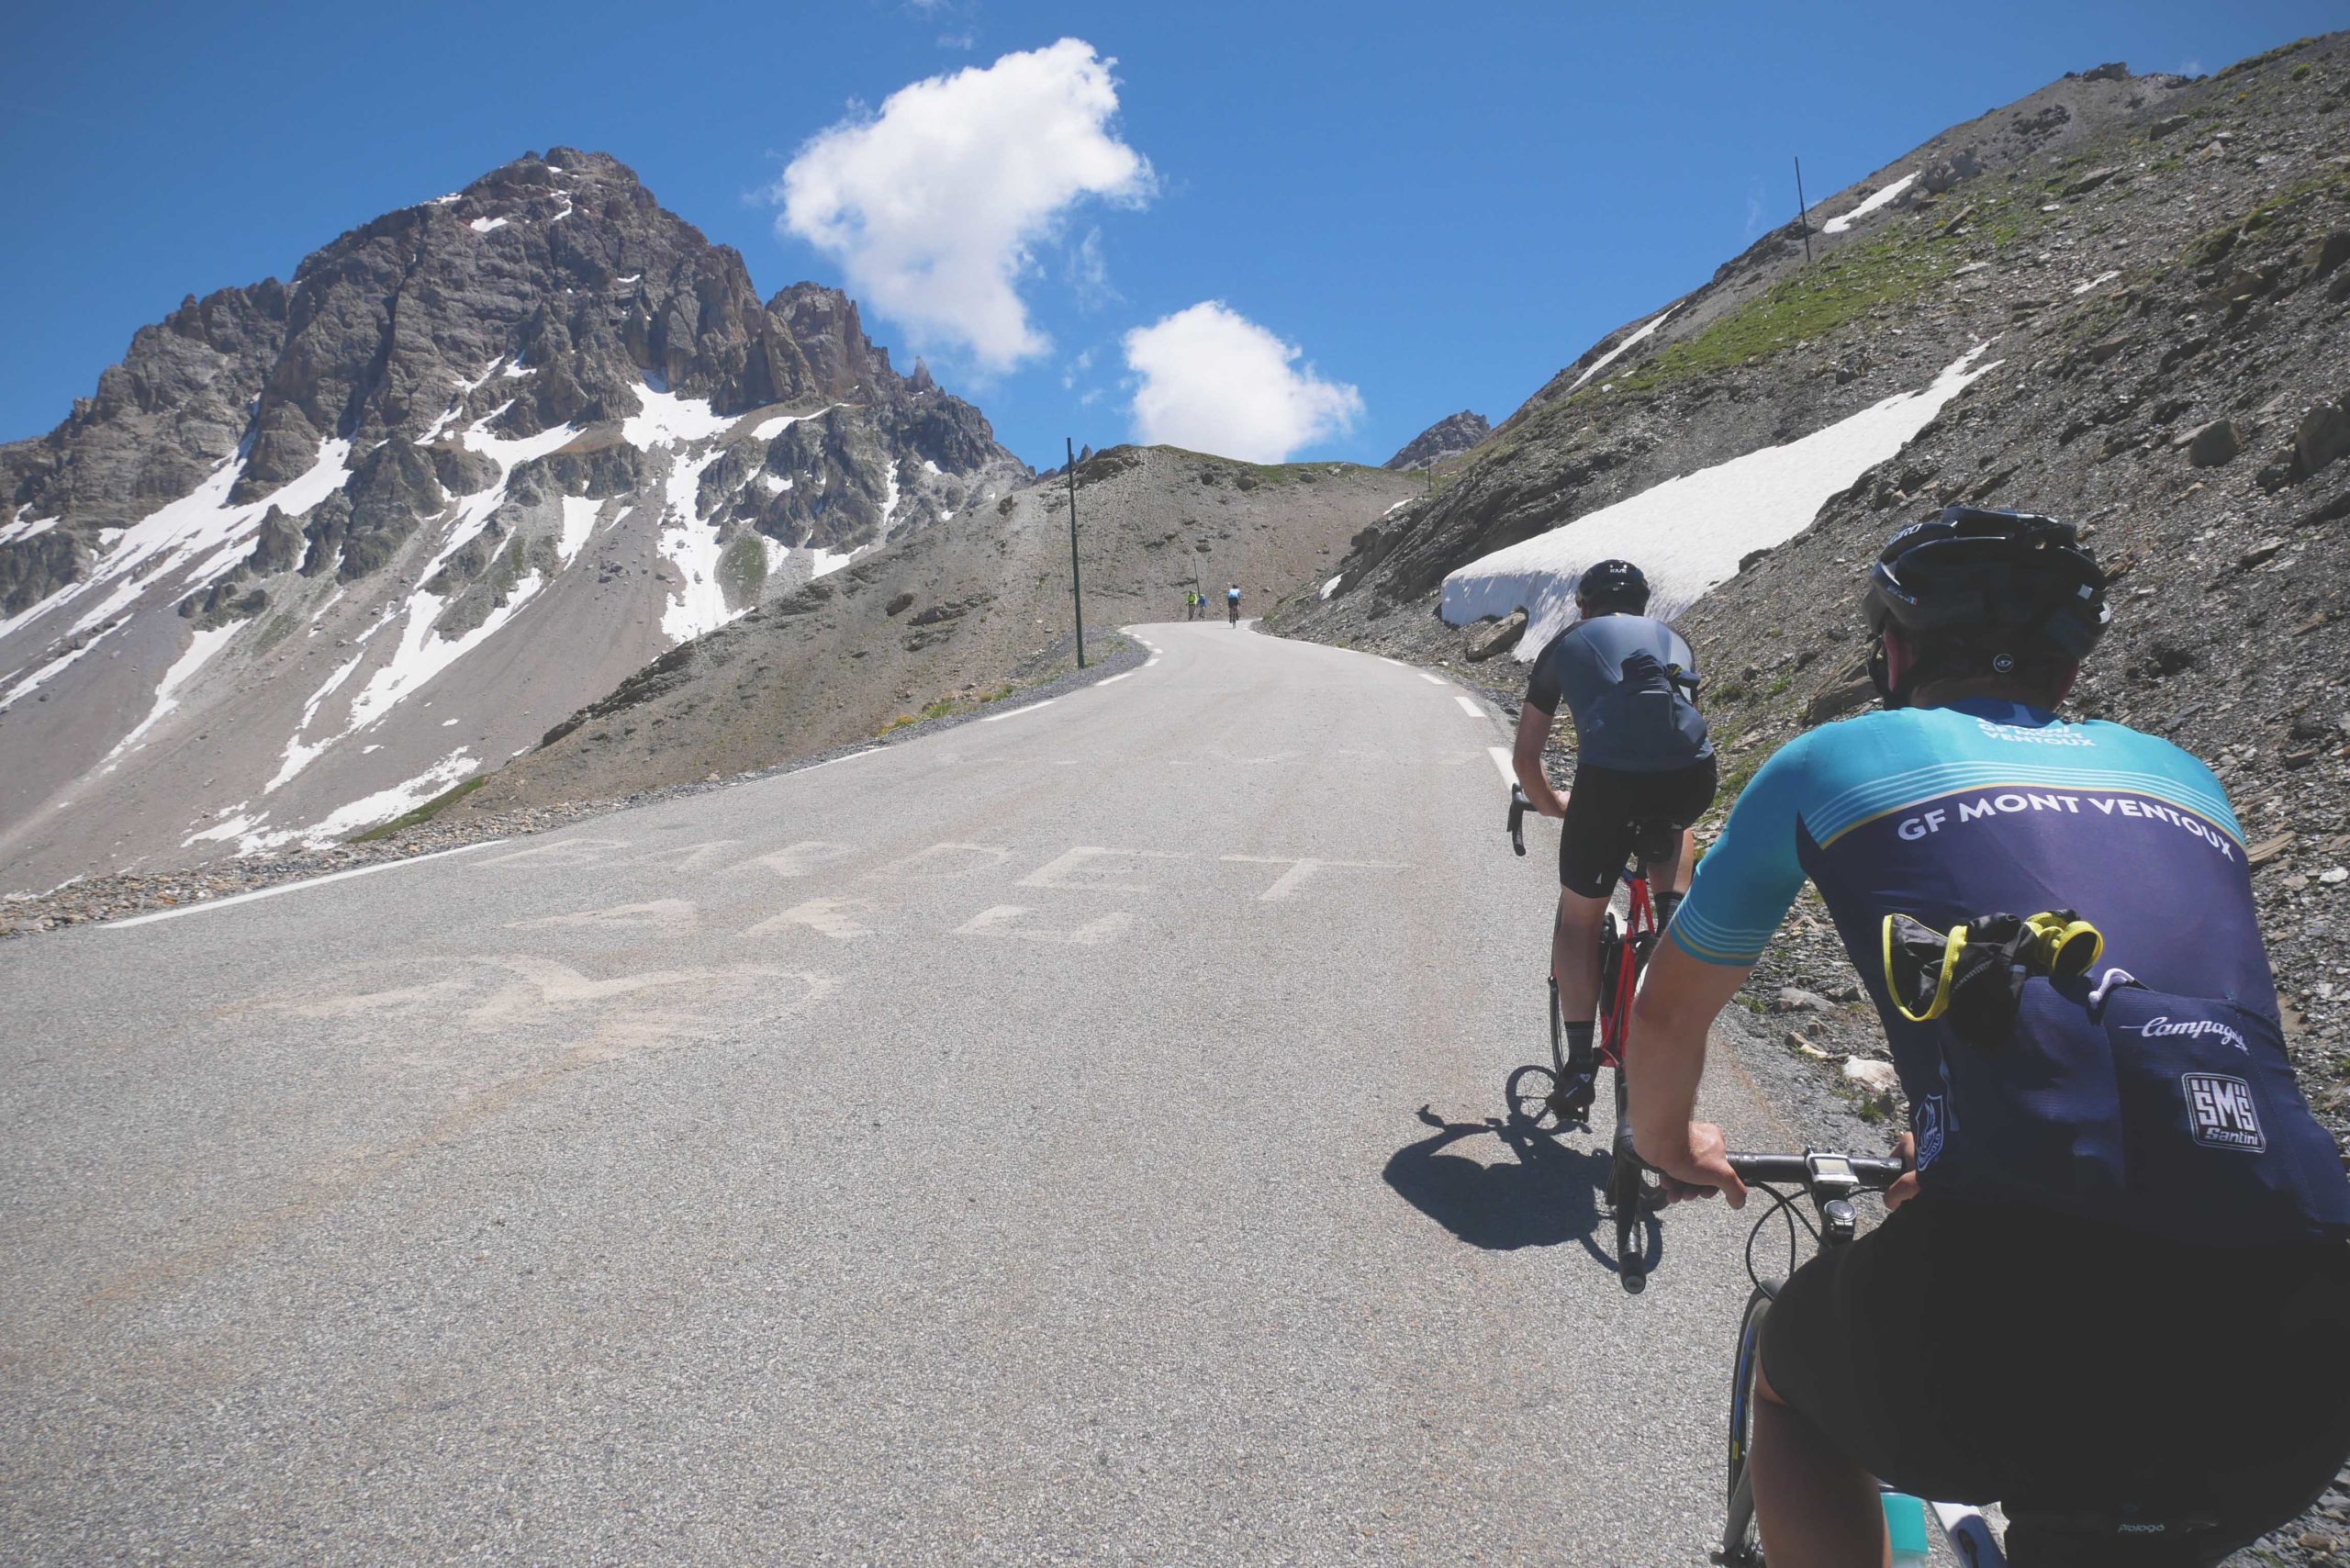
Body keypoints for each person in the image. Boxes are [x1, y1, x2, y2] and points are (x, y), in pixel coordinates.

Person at [1626, 506, 2350, 1565]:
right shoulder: (2188, 779)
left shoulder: (1833, 759)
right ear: (2067, 671)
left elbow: (1665, 1009)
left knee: (1791, 1393)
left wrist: (1666, 1144)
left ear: (1892, 650)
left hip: (1997, 1318)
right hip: (2302, 1337)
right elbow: (2189, 1028)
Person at [1511, 558, 1715, 1118]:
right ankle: (1670, 923)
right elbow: (1679, 736)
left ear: (1584, 605)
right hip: (1692, 780)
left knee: (1579, 921)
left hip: (1606, 790)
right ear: (1643, 606)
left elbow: (1527, 757)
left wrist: (1554, 806)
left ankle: (1579, 1069)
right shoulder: (1676, 641)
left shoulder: (1568, 643)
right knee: (1676, 818)